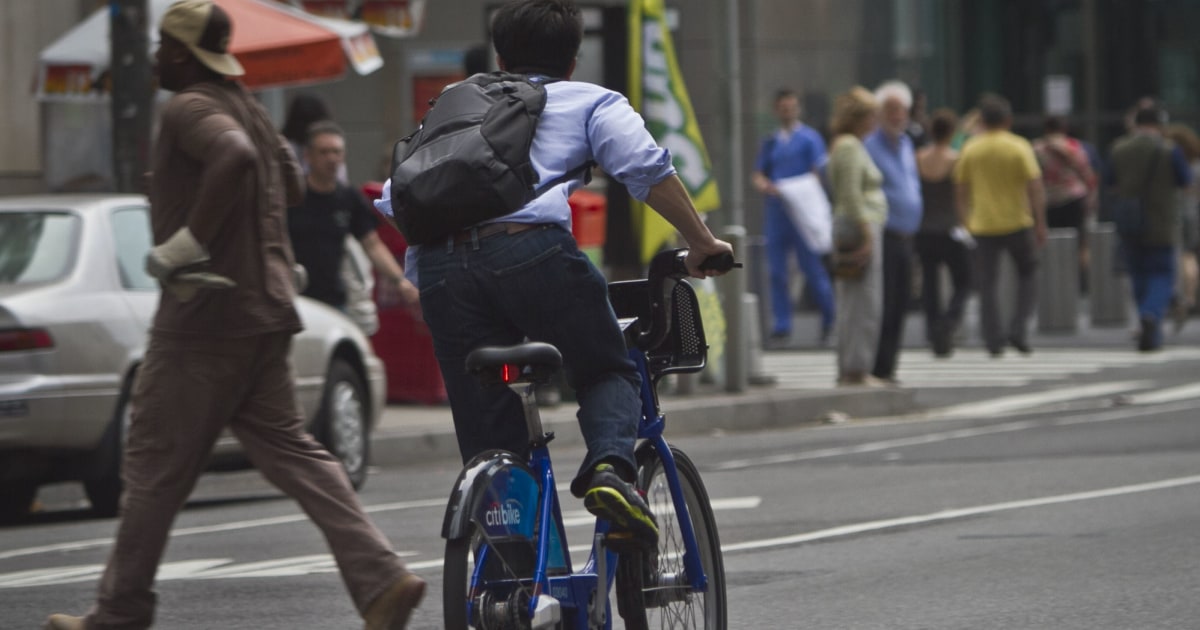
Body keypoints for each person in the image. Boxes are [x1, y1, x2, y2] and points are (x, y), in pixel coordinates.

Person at [43, 2, 425, 629]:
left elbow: (236, 159)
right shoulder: (246, 104)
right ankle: (381, 578)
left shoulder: (192, 106)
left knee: (152, 463)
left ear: (187, 54)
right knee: (294, 451)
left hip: (203, 318)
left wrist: (191, 240)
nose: (158, 56)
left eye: (167, 46)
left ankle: (119, 611)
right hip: (264, 311)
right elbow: (288, 180)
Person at [375, 0, 733, 543]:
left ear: (500, 54)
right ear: (573, 59)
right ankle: (611, 471)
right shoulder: (589, 99)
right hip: (531, 256)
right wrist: (702, 243)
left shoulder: (454, 102)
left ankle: (512, 581)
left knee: (489, 435)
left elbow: (392, 198)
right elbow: (646, 169)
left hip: (440, 271)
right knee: (607, 367)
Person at [288, 121, 418, 314]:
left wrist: (400, 280)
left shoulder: (349, 198)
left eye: (336, 152)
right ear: (308, 156)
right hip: (296, 300)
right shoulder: (292, 196)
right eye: (324, 152)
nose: (331, 158)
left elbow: (372, 244)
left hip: (334, 302)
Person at [954, 93, 1046, 358]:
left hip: (982, 225)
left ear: (981, 120)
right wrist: (1040, 221)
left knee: (987, 285)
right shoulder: (1019, 146)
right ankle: (1018, 327)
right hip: (1018, 221)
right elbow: (1035, 186)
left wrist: (965, 221)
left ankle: (993, 339)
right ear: (1008, 120)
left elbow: (960, 189)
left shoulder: (971, 148)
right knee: (1028, 274)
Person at [752, 88, 835, 346]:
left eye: (791, 107)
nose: (787, 111)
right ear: (777, 110)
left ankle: (830, 317)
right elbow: (758, 174)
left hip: (801, 212)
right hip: (777, 212)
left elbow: (817, 172)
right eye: (783, 107)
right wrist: (765, 186)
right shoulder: (771, 141)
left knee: (812, 267)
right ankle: (782, 323)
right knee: (777, 270)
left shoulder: (810, 139)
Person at [1109, 105, 1193, 351]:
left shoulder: (1119, 148)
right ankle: (1150, 315)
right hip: (1161, 222)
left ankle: (1150, 329)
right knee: (1161, 276)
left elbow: (1111, 184)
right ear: (1159, 125)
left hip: (1128, 222)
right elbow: (1186, 182)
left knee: (1138, 275)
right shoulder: (1169, 150)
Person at [826, 87, 886, 386]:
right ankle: (856, 368)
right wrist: (867, 234)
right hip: (858, 224)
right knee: (863, 301)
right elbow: (850, 194)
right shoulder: (850, 146)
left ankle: (852, 367)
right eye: (872, 115)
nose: (876, 121)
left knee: (854, 300)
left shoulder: (845, 144)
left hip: (851, 223)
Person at [864, 80, 923, 384]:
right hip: (883, 234)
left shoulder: (907, 144)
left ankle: (889, 367)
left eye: (902, 110)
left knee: (901, 302)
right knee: (883, 303)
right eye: (891, 110)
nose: (898, 115)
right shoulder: (870, 145)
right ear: (880, 112)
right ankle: (877, 366)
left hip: (906, 235)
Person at [915, 108, 972, 357]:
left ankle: (932, 329)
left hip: (924, 228)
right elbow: (961, 198)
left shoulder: (918, 157)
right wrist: (966, 224)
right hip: (949, 228)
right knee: (964, 281)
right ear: (951, 132)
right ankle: (948, 322)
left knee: (929, 284)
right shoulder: (955, 159)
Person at [1033, 116, 1097, 291]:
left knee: (1050, 241)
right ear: (1064, 128)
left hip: (1049, 200)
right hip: (1074, 198)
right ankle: (1082, 282)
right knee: (1080, 243)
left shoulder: (1037, 148)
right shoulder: (1074, 146)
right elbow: (1087, 174)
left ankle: (1053, 282)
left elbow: (1032, 178)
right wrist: (1092, 197)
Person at [1165, 123, 1200, 332]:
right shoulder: (1197, 164)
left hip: (1182, 214)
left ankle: (1187, 298)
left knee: (1185, 256)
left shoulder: (1180, 166)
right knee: (1192, 255)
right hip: (1194, 213)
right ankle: (1191, 296)